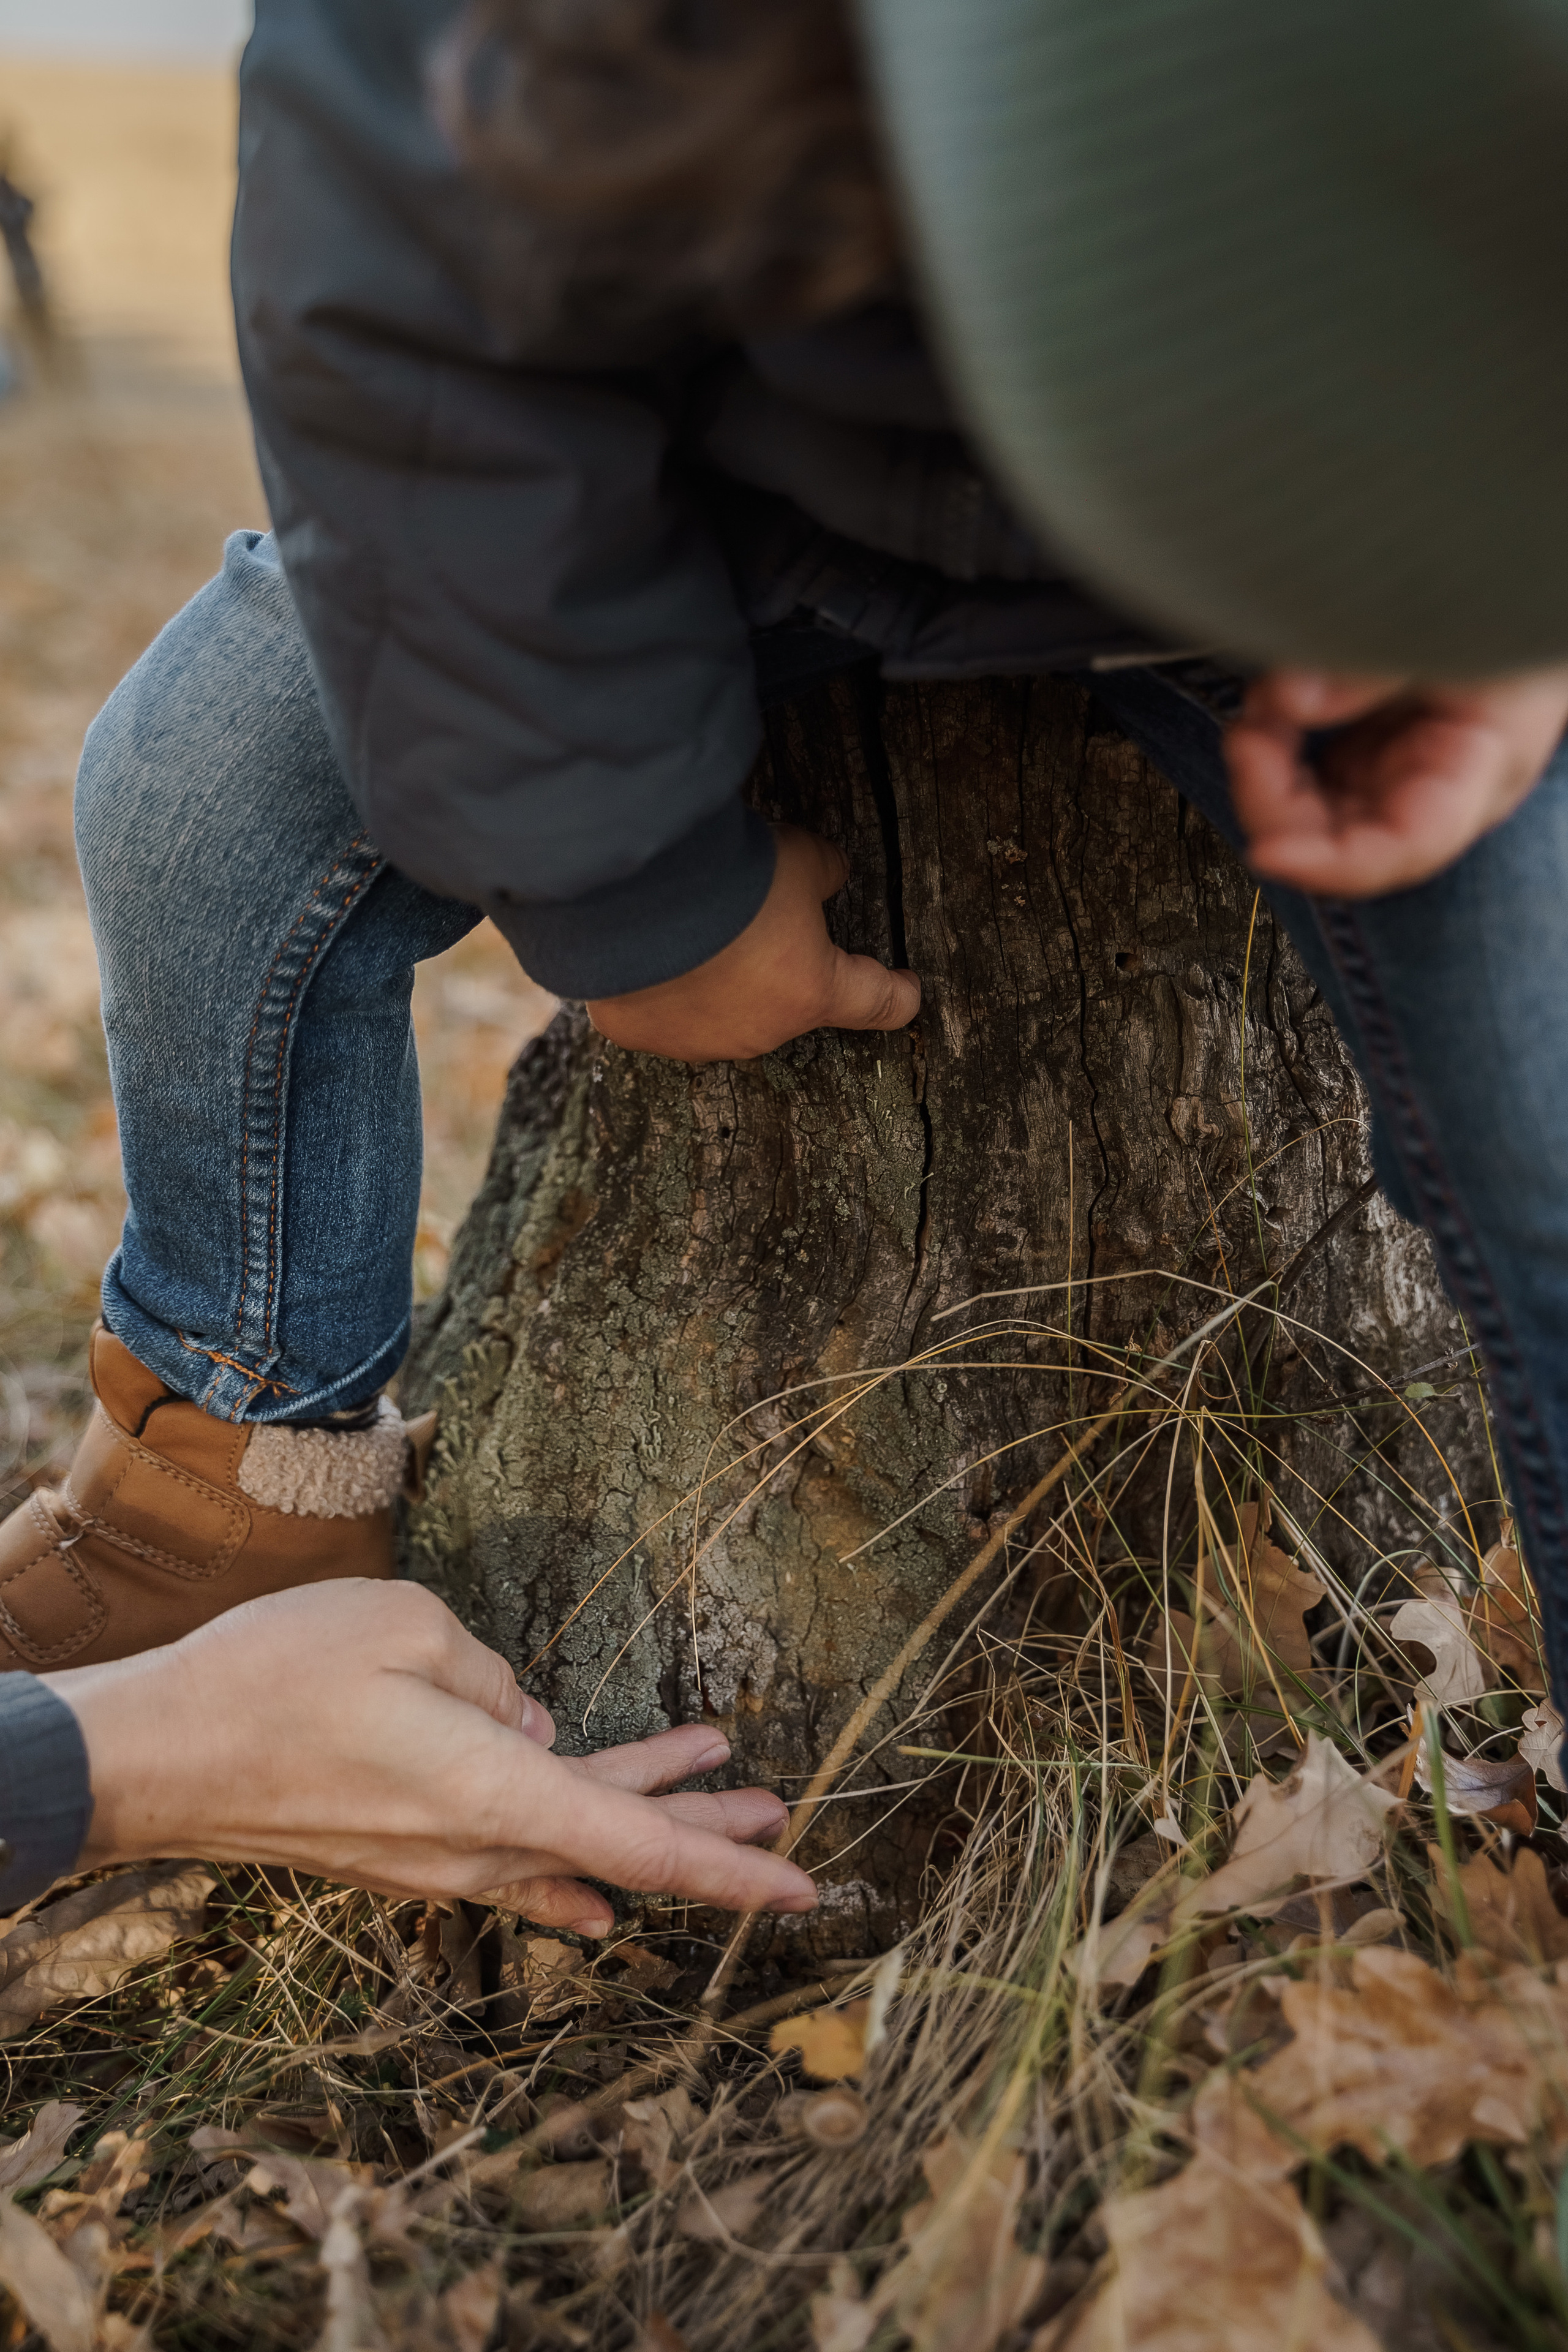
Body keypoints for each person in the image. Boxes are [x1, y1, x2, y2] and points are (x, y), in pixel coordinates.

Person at [4, 0, 1568, 1915]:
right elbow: (396, 295)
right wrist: (635, 885)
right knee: (201, 786)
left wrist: (1510, 581)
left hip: (1332, 508)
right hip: (731, 475)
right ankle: (217, 1511)